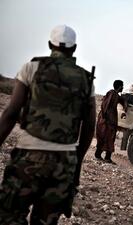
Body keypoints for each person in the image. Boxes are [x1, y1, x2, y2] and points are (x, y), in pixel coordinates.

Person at [0, 25, 96, 225]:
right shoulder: (87, 80)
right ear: (74, 48)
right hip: (64, 161)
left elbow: (11, 113)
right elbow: (89, 125)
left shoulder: (31, 68)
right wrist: (76, 160)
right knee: (46, 221)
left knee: (10, 215)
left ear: (49, 44)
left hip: (29, 154)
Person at [95, 80, 127, 164]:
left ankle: (105, 157)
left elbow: (122, 100)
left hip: (109, 121)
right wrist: (105, 118)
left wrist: (125, 108)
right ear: (119, 86)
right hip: (106, 121)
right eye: (122, 86)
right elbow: (105, 105)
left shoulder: (116, 95)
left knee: (109, 139)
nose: (123, 87)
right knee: (105, 138)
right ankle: (100, 156)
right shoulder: (112, 93)